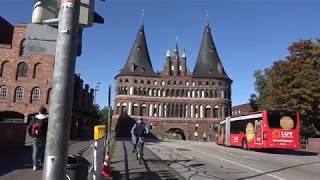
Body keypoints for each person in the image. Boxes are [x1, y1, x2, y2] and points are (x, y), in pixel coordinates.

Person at [28, 106, 48, 170]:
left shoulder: (34, 118)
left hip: (35, 136)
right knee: (43, 149)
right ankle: (41, 162)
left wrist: (31, 135)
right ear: (45, 112)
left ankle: (35, 165)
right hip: (43, 136)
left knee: (35, 150)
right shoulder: (46, 119)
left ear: (39, 111)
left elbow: (29, 127)